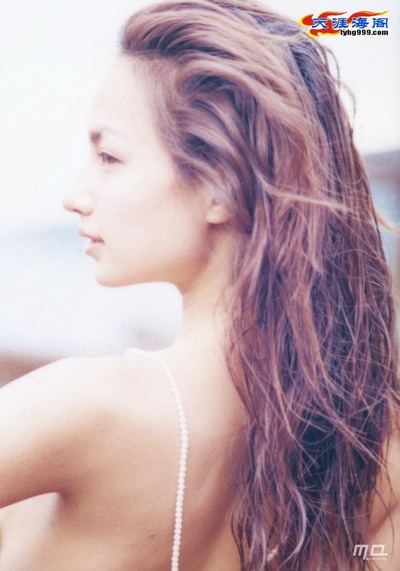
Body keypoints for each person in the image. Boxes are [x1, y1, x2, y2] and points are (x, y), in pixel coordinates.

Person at [0, 0, 399, 569]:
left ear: (220, 186)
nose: (74, 195)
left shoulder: (81, 407)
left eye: (109, 156)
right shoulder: (372, 457)